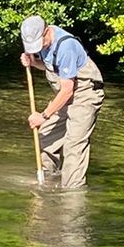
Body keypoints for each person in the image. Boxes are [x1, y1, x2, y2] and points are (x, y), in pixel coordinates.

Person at [20, 15, 105, 189]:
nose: (38, 48)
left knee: (74, 145)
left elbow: (67, 89)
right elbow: (51, 66)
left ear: (46, 32)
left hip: (84, 94)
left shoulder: (66, 46)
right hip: (66, 95)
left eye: (39, 44)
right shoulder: (44, 44)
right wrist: (33, 62)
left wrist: (43, 116)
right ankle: (50, 181)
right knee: (45, 136)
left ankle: (71, 192)